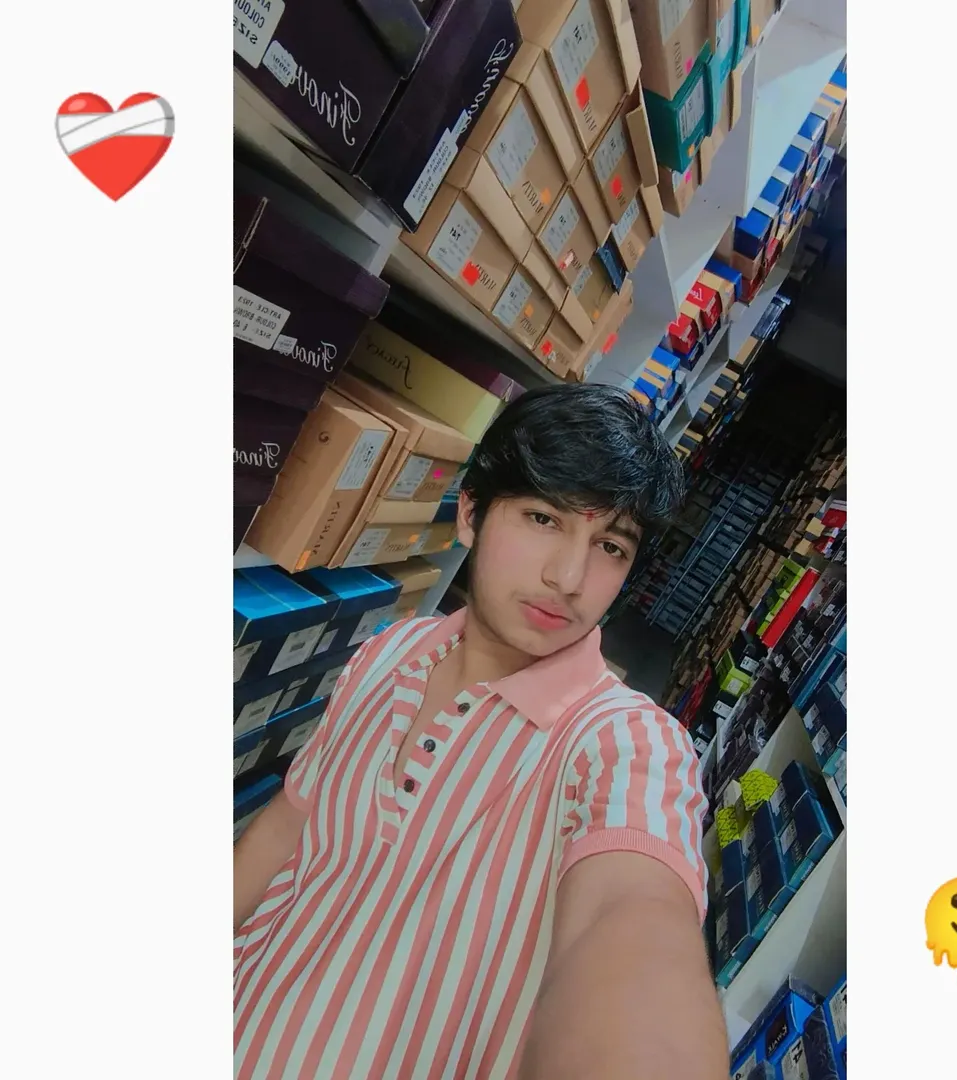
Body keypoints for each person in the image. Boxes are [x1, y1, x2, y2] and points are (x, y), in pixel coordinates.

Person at [233, 383, 729, 1079]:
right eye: (543, 518)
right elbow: (288, 827)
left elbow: (633, 913)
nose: (569, 577)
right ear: (471, 513)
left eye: (610, 546)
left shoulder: (628, 748)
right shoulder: (390, 652)